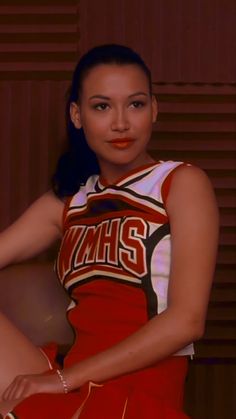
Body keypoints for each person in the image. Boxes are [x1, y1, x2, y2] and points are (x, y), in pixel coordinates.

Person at [0, 44, 219, 419]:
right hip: (63, 379)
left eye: (135, 104)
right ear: (77, 114)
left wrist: (65, 380)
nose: (121, 123)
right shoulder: (68, 203)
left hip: (138, 391)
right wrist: (60, 380)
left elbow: (187, 321)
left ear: (154, 109)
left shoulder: (180, 183)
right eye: (102, 106)